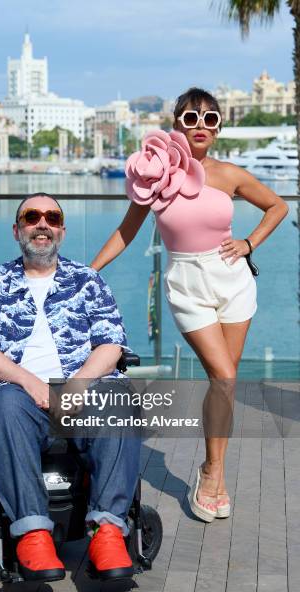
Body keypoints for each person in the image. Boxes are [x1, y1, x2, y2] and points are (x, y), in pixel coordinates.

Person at [91, 87, 288, 523]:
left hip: (233, 281)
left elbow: (277, 206)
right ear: (177, 123)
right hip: (186, 284)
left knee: (225, 383)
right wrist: (90, 270)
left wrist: (249, 243)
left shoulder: (231, 174)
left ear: (218, 129)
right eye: (192, 118)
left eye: (210, 119)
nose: (201, 126)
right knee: (224, 373)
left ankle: (213, 471)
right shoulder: (156, 177)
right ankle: (211, 469)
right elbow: (127, 231)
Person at [0, 192, 140, 582]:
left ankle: (107, 531)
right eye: (32, 217)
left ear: (62, 230)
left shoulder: (87, 280)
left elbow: (111, 343)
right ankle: (33, 532)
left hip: (82, 388)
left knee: (119, 399)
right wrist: (29, 381)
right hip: (17, 394)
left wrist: (78, 384)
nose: (42, 224)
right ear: (17, 229)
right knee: (4, 405)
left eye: (52, 217)